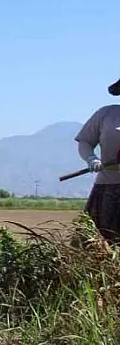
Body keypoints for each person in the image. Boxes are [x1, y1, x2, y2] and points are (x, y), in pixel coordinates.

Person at [75, 87, 120, 242]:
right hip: (108, 189)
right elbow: (85, 141)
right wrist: (91, 159)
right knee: (98, 243)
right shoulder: (106, 114)